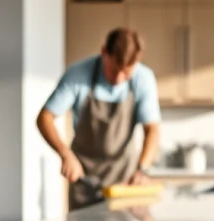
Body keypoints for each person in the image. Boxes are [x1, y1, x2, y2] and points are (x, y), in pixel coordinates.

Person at [37, 27, 161, 210]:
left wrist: (142, 169)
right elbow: (45, 118)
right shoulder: (78, 75)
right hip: (84, 182)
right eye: (114, 70)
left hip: (124, 183)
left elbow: (152, 129)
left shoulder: (143, 78)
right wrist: (65, 154)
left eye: (126, 73)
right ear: (104, 52)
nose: (119, 79)